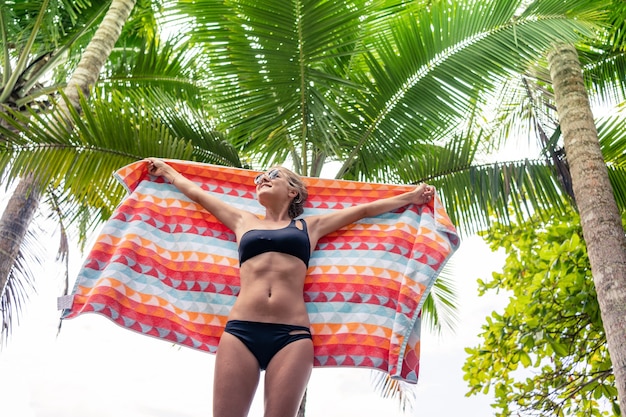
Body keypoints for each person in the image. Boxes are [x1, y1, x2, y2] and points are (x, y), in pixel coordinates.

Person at [145, 158, 435, 417]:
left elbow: (365, 211)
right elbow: (197, 194)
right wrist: (168, 171)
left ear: (293, 191)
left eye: (273, 175)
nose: (262, 179)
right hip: (240, 332)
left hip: (292, 337)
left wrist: (411, 197)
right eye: (259, 179)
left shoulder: (310, 227)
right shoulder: (242, 220)